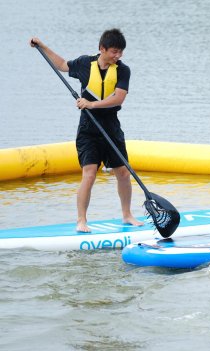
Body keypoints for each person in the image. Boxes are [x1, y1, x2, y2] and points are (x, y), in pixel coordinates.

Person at [30, 29, 144, 233]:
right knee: (89, 173)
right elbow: (62, 65)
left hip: (111, 127)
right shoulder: (85, 63)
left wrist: (91, 104)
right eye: (115, 52)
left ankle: (127, 215)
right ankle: (81, 221)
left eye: (121, 52)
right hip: (88, 130)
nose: (118, 56)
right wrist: (42, 46)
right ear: (102, 49)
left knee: (124, 173)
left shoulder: (123, 70)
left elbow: (118, 98)